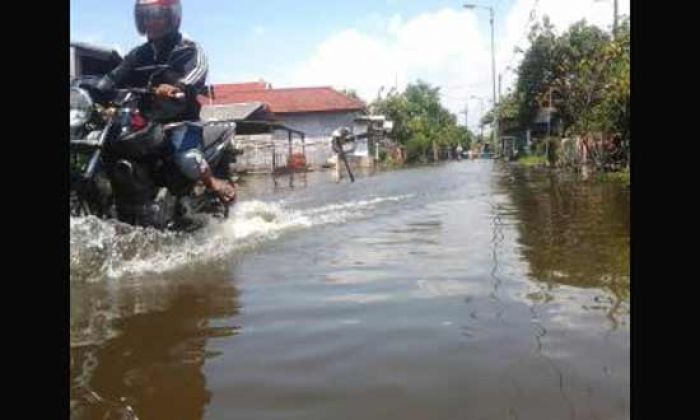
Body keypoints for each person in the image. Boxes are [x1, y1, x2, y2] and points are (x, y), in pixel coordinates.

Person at [97, 0, 235, 203]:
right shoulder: (138, 54)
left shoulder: (188, 50)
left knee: (187, 159)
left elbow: (197, 72)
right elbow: (113, 77)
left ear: (172, 17)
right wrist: (93, 88)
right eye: (146, 16)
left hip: (180, 122)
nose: (150, 21)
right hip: (145, 124)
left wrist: (178, 87)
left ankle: (212, 182)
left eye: (156, 16)